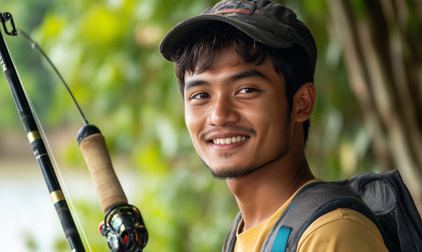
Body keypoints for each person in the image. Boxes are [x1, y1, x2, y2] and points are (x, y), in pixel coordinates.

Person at [159, 0, 388, 251]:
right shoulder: (244, 233)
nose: (219, 115)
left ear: (302, 103)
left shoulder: (330, 234)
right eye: (201, 95)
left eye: (246, 90)